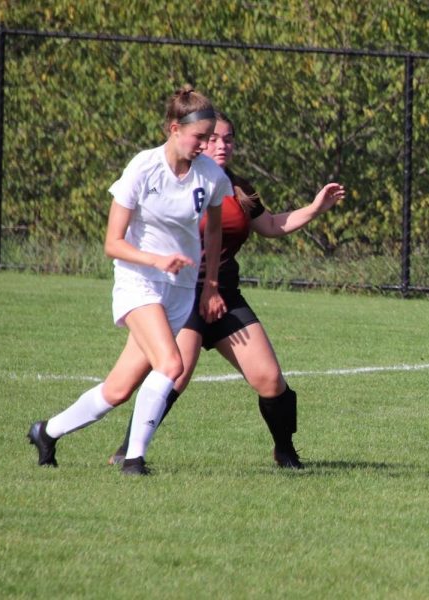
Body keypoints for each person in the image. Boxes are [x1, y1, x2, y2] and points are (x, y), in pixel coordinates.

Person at [106, 111, 345, 470]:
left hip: (224, 294)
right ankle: (129, 451)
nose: (220, 145)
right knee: (174, 374)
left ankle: (285, 451)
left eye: (227, 139)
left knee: (270, 380)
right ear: (193, 137)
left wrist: (314, 208)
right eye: (212, 137)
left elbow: (270, 224)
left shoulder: (235, 186)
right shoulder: (172, 181)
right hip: (181, 293)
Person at [27, 85, 230, 475]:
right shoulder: (143, 167)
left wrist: (210, 284)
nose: (206, 145)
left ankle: (46, 431)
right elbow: (112, 243)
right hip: (139, 282)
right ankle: (133, 460)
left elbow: (215, 231)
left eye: (210, 137)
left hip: (181, 289)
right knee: (171, 365)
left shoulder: (210, 175)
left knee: (117, 390)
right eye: (199, 137)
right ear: (174, 128)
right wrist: (156, 259)